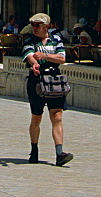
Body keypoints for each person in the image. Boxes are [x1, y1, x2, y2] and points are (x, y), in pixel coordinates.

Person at [23, 12, 73, 167]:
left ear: (46, 26)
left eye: (38, 25)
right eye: (33, 25)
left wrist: (44, 55)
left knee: (57, 116)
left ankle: (59, 153)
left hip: (54, 80)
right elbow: (29, 55)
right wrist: (34, 63)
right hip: (37, 79)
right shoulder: (29, 40)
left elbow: (62, 58)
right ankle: (34, 149)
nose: (35, 28)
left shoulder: (56, 39)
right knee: (36, 117)